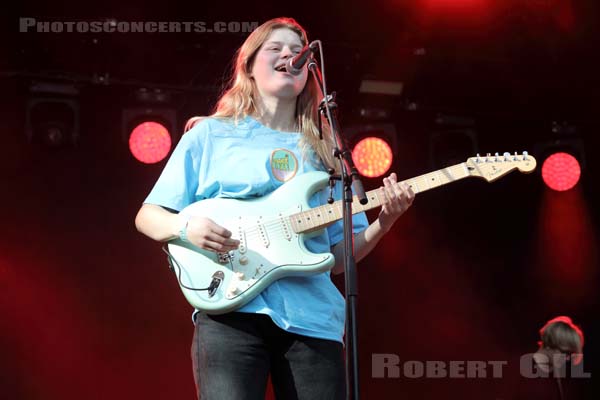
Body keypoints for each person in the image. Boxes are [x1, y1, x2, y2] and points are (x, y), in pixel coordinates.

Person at [135, 17, 414, 400]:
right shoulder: (210, 134)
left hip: (313, 322)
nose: (289, 56)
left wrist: (386, 220)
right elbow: (148, 216)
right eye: (275, 49)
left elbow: (337, 257)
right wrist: (188, 228)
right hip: (230, 311)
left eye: (296, 51)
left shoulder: (327, 152)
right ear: (249, 65)